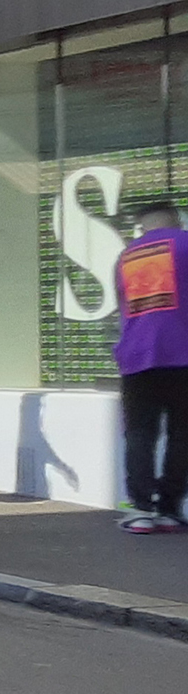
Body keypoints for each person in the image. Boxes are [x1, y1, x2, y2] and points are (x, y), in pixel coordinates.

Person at [114, 205, 188, 533]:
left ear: (143, 225)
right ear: (177, 218)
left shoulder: (126, 256)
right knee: (182, 434)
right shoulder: (185, 244)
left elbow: (124, 307)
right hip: (182, 353)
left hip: (137, 357)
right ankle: (170, 509)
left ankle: (141, 510)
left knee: (140, 433)